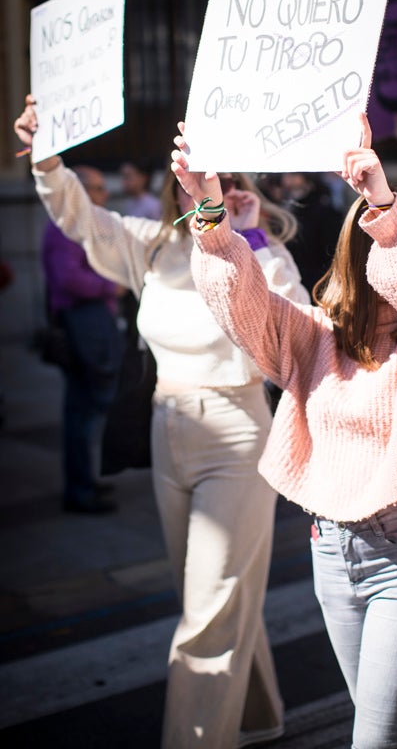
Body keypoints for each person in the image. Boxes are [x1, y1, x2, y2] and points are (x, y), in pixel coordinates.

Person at [172, 111, 397, 749]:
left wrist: (384, 201)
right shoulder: (318, 336)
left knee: (376, 740)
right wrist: (206, 211)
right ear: (358, 252)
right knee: (393, 736)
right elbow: (242, 303)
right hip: (331, 556)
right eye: (381, 233)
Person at [14, 95, 309, 749]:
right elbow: (80, 219)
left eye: (231, 179)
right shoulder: (151, 247)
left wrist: (250, 240)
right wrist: (47, 161)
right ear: (182, 184)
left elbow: (295, 335)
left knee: (207, 614)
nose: (218, 188)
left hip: (236, 434)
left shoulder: (263, 255)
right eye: (204, 177)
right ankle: (258, 718)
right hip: (167, 429)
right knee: (207, 597)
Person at [41, 164, 125, 514]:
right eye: (100, 188)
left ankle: (85, 482)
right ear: (82, 190)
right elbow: (69, 279)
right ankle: (79, 489)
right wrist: (111, 285)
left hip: (88, 319)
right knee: (83, 412)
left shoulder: (75, 221)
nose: (105, 195)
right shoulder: (66, 224)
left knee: (85, 410)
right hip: (82, 321)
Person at [280, 171, 344, 295]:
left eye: (293, 174)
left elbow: (331, 250)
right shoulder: (286, 207)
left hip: (318, 281)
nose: (287, 179)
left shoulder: (324, 208)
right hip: (295, 277)